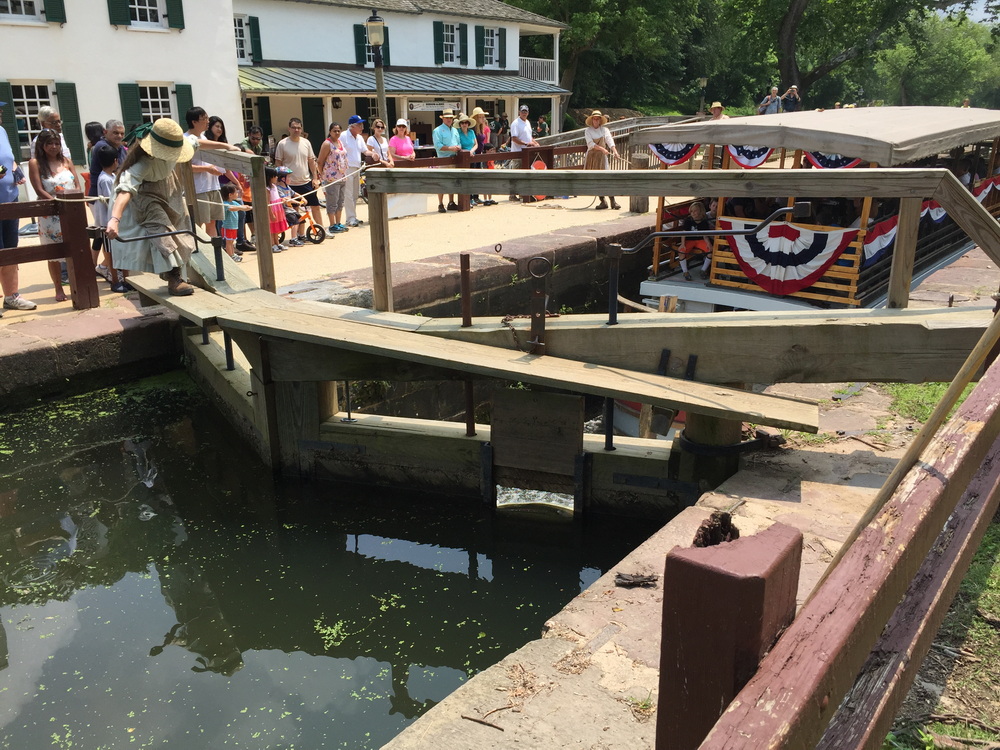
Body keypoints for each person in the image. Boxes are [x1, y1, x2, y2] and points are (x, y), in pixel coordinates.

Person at [105, 118, 201, 296]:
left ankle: (178, 271)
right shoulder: (143, 163)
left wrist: (227, 147)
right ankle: (174, 277)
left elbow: (197, 142)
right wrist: (115, 219)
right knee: (160, 228)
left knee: (180, 227)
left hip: (169, 187)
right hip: (145, 194)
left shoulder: (179, 143)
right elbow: (125, 191)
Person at [29, 128, 80, 302]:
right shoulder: (35, 163)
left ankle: (76, 285)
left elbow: (77, 185)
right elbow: (38, 189)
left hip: (71, 211)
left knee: (74, 250)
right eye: (49, 143)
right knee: (53, 254)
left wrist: (71, 202)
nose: (53, 146)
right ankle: (58, 288)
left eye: (56, 143)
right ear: (42, 145)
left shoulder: (66, 161)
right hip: (50, 215)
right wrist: (57, 203)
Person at [0, 99, 37, 313]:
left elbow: (10, 159)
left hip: (9, 199)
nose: (0, 113)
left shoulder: (2, 131)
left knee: (10, 249)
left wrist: (15, 169)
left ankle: (12, 296)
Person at [91, 143, 131, 292]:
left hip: (113, 221)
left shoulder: (112, 176)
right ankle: (115, 280)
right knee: (110, 253)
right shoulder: (106, 179)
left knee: (122, 250)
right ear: (115, 160)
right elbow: (111, 200)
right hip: (106, 222)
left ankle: (126, 279)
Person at [274, 117, 323, 237]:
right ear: (289, 128)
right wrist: (280, 182)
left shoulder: (306, 143)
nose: (296, 130)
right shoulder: (282, 144)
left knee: (315, 206)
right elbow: (278, 163)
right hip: (290, 184)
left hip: (306, 181)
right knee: (294, 211)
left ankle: (321, 230)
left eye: (299, 128)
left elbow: (311, 161)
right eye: (294, 127)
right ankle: (297, 236)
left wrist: (315, 178)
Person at [340, 114, 373, 227]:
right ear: (352, 126)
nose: (362, 127)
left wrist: (373, 154)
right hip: (347, 168)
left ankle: (353, 216)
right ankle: (350, 218)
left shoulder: (359, 138)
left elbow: (365, 151)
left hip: (357, 168)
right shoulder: (343, 136)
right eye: (359, 125)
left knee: (355, 194)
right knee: (348, 194)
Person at [584, 110, 620, 211]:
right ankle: (602, 201)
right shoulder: (588, 131)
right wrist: (602, 149)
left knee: (607, 177)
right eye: (594, 119)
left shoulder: (605, 130)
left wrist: (615, 152)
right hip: (592, 156)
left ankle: (613, 201)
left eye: (598, 119)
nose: (596, 121)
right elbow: (590, 144)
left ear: (600, 120)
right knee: (596, 179)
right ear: (592, 120)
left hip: (602, 157)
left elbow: (609, 141)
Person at [317, 122, 350, 234]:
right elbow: (320, 161)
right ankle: (332, 224)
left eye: (338, 130)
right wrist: (323, 175)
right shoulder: (327, 144)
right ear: (330, 131)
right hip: (331, 178)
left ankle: (338, 222)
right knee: (332, 201)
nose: (336, 132)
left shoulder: (340, 142)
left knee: (340, 201)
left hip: (342, 176)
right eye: (334, 130)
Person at [88, 120, 127, 198]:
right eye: (116, 133)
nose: (119, 136)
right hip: (101, 196)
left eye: (122, 133)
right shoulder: (102, 147)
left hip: (115, 192)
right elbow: (117, 171)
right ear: (105, 132)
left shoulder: (121, 148)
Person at [432, 109, 461, 212]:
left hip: (454, 159)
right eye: (447, 118)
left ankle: (451, 202)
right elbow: (438, 146)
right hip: (443, 160)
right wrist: (450, 148)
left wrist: (457, 147)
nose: (449, 119)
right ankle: (440, 204)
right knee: (442, 182)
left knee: (452, 181)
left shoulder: (455, 130)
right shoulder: (437, 130)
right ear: (443, 118)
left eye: (450, 118)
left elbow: (459, 143)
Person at [678, 201, 714, 280]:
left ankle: (703, 270)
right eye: (691, 211)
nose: (693, 213)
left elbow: (705, 235)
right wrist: (682, 244)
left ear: (700, 211)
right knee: (681, 251)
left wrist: (708, 244)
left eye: (695, 211)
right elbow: (684, 233)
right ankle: (685, 272)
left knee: (711, 251)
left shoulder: (704, 221)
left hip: (700, 240)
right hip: (689, 240)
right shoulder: (688, 220)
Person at [509, 105, 538, 202]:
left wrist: (534, 143)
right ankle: (512, 194)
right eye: (522, 111)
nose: (524, 113)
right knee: (516, 174)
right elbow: (514, 138)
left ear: (528, 112)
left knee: (525, 173)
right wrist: (526, 143)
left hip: (527, 153)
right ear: (519, 112)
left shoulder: (528, 122)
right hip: (517, 153)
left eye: (526, 111)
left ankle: (522, 193)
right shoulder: (516, 123)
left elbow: (529, 137)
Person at [220, 183, 250, 262]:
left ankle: (233, 254)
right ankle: (230, 255)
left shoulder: (234, 202)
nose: (237, 194)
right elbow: (232, 209)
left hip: (234, 226)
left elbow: (241, 208)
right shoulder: (225, 204)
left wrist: (247, 207)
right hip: (227, 227)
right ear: (230, 194)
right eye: (236, 192)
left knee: (232, 241)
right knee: (228, 242)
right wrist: (241, 207)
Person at [264, 165, 288, 254]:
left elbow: (276, 197)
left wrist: (282, 200)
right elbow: (268, 202)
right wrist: (271, 213)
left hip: (278, 208)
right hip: (272, 209)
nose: (277, 177)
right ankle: (272, 244)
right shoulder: (267, 189)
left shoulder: (274, 186)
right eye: (275, 176)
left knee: (276, 228)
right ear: (270, 177)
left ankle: (277, 243)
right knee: (272, 228)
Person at [456, 114, 478, 205]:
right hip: (463, 158)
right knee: (466, 178)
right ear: (460, 124)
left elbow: (476, 144)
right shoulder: (457, 133)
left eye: (466, 123)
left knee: (474, 177)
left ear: (468, 124)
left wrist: (471, 151)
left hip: (472, 157)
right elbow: (458, 145)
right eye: (462, 123)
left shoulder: (472, 132)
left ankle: (474, 197)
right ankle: (467, 198)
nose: (464, 124)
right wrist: (466, 152)